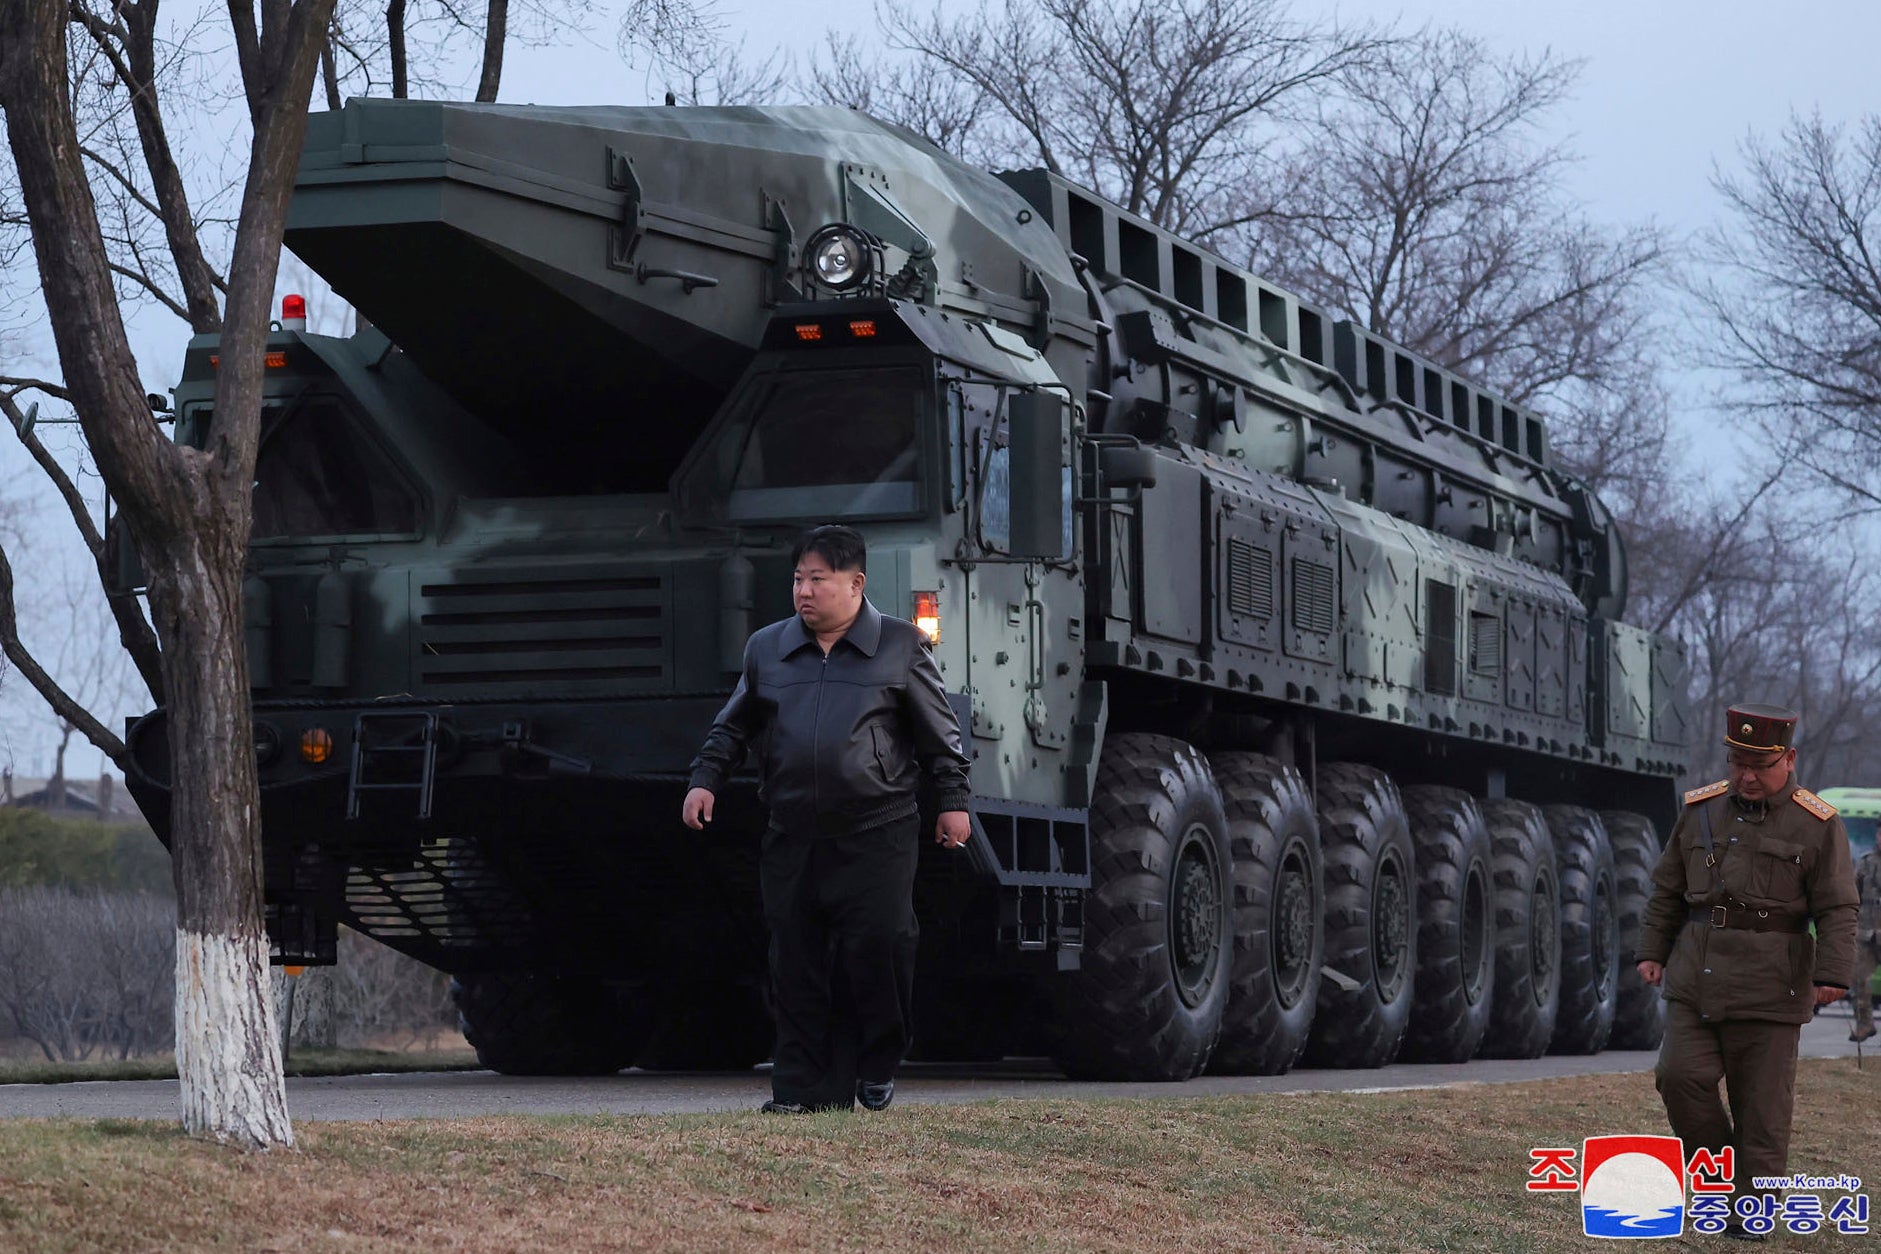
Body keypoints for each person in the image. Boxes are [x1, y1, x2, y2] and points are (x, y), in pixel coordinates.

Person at [682, 525, 973, 1113]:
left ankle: (877, 1057)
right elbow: (733, 725)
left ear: (855, 583)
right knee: (795, 958)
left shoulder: (899, 646)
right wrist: (704, 780)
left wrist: (953, 799)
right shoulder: (768, 648)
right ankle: (802, 1091)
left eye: (818, 579)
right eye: (798, 579)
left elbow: (940, 735)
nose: (804, 591)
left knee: (879, 946)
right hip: (793, 831)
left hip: (878, 829)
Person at [1635, 703, 1859, 1239]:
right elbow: (1667, 889)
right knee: (1679, 1078)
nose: (1746, 775)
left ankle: (1751, 1215)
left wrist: (1833, 972)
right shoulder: (1701, 811)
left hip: (1772, 986)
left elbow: (1837, 906)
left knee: (1762, 1109)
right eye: (1738, 762)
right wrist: (1652, 951)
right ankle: (1722, 1173)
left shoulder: (1818, 823)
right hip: (1696, 977)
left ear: (1790, 759)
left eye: (1760, 764)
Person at [1853, 841, 1880, 1043]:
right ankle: (1864, 1024)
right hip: (1866, 932)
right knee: (1859, 979)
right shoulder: (1865, 862)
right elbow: (1853, 895)